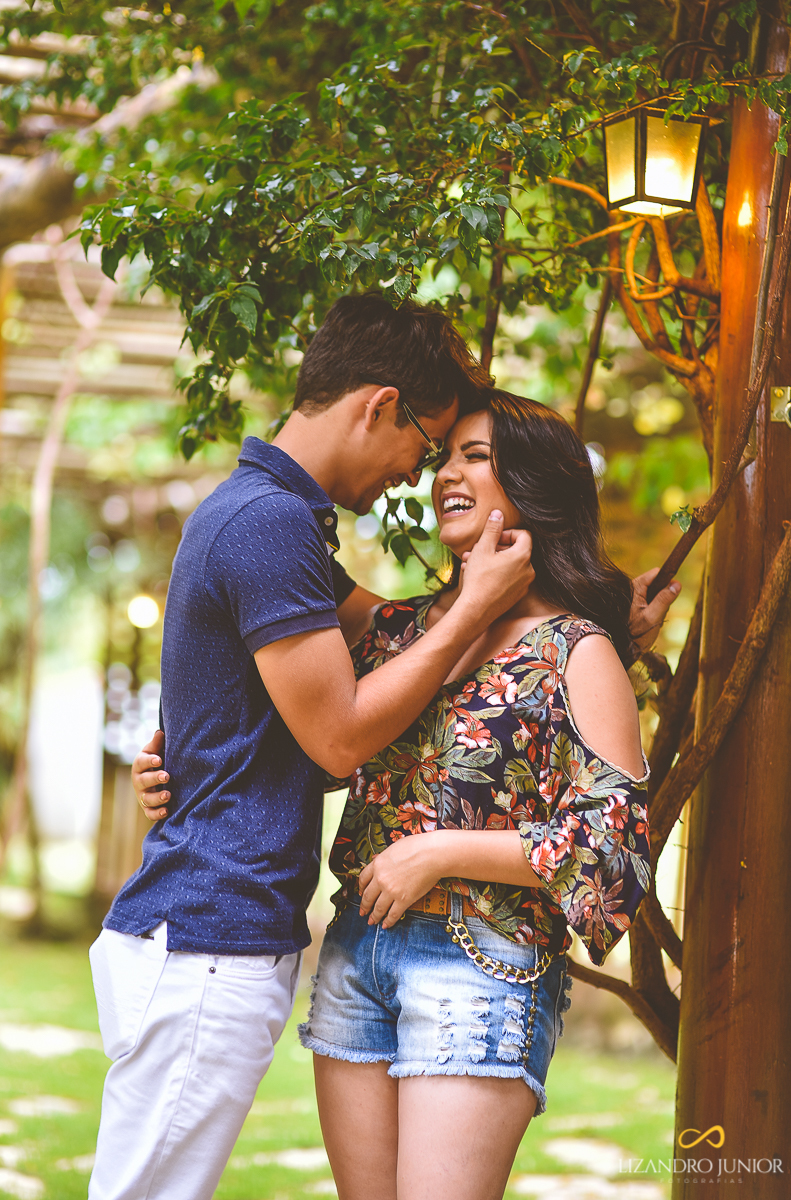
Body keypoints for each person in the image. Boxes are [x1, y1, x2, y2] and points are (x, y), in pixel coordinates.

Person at [132, 388, 679, 1200]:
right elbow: (309, 717)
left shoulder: (577, 651)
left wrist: (440, 852)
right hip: (357, 957)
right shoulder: (399, 632)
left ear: (533, 486)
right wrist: (180, 767)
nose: (443, 474)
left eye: (475, 456)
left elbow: (613, 849)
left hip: (481, 966)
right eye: (443, 456)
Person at [87, 295, 539, 1200]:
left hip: (205, 929)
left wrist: (587, 607)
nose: (420, 472)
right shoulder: (268, 523)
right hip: (209, 937)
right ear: (379, 405)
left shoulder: (268, 512)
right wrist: (477, 611)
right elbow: (339, 740)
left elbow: (384, 629)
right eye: (425, 439)